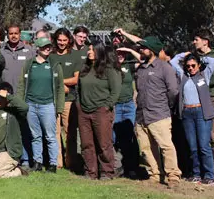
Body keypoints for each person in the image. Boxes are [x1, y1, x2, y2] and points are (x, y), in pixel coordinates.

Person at [121, 33, 181, 186]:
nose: (141, 49)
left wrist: (165, 105)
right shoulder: (141, 69)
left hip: (159, 114)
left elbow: (173, 91)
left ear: (152, 50)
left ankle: (173, 176)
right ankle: (154, 174)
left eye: (144, 47)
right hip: (141, 115)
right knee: (146, 148)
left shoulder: (165, 68)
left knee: (166, 146)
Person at [170, 51, 214, 185]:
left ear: (198, 65)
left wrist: (198, 57)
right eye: (188, 66)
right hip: (187, 113)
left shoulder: (204, 75)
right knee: (192, 146)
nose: (190, 68)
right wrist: (184, 54)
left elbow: (213, 61)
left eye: (193, 65)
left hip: (201, 113)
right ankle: (196, 173)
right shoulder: (183, 76)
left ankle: (209, 175)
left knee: (203, 145)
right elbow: (173, 62)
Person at [18, 37, 65, 173]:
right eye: (44, 46)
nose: (47, 48)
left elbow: (60, 88)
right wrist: (21, 104)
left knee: (50, 136)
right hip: (31, 105)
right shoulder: (28, 64)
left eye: (49, 46)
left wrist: (59, 108)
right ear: (37, 48)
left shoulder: (54, 64)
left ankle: (52, 164)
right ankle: (37, 162)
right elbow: (22, 85)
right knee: (35, 136)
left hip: (48, 105)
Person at [76, 44, 122, 180]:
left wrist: (107, 106)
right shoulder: (85, 68)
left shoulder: (109, 69)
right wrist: (78, 104)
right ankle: (90, 172)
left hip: (101, 111)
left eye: (92, 49)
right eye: (89, 49)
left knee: (104, 143)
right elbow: (78, 89)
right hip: (84, 111)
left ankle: (107, 172)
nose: (89, 52)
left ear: (100, 52)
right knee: (86, 143)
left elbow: (115, 91)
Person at [49, 27, 86, 172]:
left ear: (69, 40)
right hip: (53, 100)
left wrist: (61, 82)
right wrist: (59, 85)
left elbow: (77, 78)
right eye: (59, 40)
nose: (62, 43)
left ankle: (71, 161)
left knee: (70, 132)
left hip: (69, 99)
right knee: (55, 132)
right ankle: (57, 162)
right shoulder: (50, 56)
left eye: (64, 40)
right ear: (55, 40)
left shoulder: (74, 56)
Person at [192, 29, 214, 180]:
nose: (194, 42)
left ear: (205, 41)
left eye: (196, 39)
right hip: (196, 99)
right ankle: (202, 169)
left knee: (213, 136)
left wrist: (199, 80)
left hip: (212, 99)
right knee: (199, 137)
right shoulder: (193, 58)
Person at [112, 47, 141, 177]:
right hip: (115, 106)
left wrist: (129, 50)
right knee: (114, 137)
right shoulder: (109, 67)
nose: (121, 55)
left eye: (123, 53)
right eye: (118, 53)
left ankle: (131, 167)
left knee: (130, 136)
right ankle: (117, 166)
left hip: (129, 105)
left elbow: (143, 59)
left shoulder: (129, 66)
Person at [0, 24, 35, 92]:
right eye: (11, 33)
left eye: (16, 33)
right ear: (7, 35)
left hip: (24, 92)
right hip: (6, 92)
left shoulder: (29, 51)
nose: (13, 36)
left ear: (20, 34)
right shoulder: (2, 51)